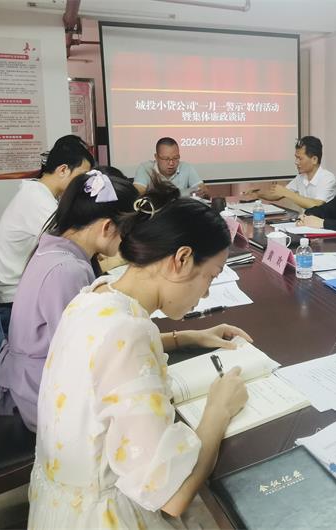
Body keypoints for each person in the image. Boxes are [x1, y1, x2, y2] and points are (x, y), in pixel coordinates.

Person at [28, 182, 251, 528]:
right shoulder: (128, 332)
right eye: (211, 277)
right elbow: (173, 497)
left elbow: (105, 354)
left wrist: (185, 337)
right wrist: (218, 409)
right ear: (181, 259)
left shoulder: (95, 294)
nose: (207, 293)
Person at [0, 168, 137, 431]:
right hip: (42, 394)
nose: (126, 242)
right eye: (126, 233)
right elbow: (79, 354)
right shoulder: (67, 270)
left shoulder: (55, 248)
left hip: (34, 379)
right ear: (107, 227)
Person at [0, 135, 94, 305]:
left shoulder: (39, 192)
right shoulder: (37, 199)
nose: (84, 184)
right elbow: (74, 242)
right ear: (63, 170)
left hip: (25, 286)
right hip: (17, 297)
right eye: (82, 176)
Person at [256, 136, 336, 209]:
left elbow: (317, 205)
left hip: (323, 221)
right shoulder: (301, 177)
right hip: (305, 220)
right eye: (296, 158)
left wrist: (287, 193)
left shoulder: (328, 178)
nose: (296, 162)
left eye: (300, 158)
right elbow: (278, 195)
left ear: (314, 159)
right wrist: (257, 194)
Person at [134, 137, 207, 197]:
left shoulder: (186, 167)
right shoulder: (145, 168)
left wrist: (201, 192)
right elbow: (137, 194)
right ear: (156, 157)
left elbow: (204, 191)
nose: (171, 163)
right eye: (166, 159)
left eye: (175, 158)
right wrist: (181, 194)